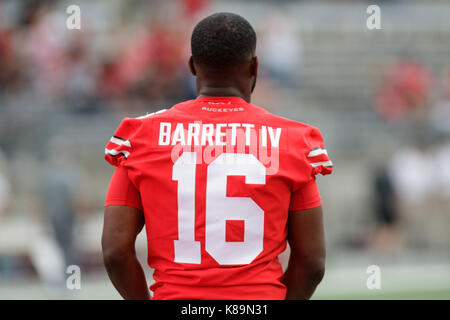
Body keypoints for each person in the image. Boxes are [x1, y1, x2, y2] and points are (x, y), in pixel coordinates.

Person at [102, 12, 333, 300]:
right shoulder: (293, 140)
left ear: (191, 66)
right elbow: (312, 263)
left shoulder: (141, 136)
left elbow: (114, 251)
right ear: (255, 67)